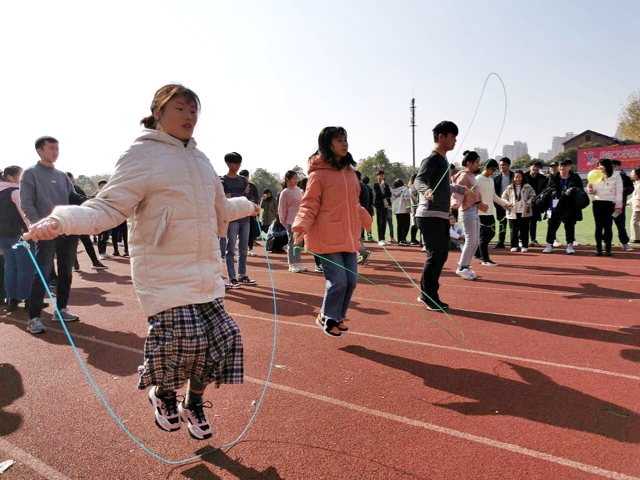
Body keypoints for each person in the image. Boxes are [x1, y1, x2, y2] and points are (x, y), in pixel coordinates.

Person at [26, 84, 260, 440]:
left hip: (203, 269)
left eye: (194, 110)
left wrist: (248, 206)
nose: (189, 116)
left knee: (224, 338)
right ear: (158, 112)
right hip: (162, 270)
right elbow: (107, 206)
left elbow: (221, 209)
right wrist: (62, 221)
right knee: (186, 338)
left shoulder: (200, 160)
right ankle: (162, 394)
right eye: (180, 108)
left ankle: (192, 401)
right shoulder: (142, 155)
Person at [292, 126, 372, 337]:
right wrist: (300, 227)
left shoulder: (350, 173)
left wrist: (365, 218)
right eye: (339, 140)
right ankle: (326, 316)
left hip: (347, 234)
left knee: (352, 281)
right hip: (326, 236)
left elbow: (353, 203)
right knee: (338, 281)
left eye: (345, 139)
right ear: (328, 144)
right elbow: (309, 204)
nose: (345, 143)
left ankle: (338, 317)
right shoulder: (318, 175)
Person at [20, 136, 85, 333]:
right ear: (39, 150)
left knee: (66, 272)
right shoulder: (30, 174)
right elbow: (27, 203)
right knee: (43, 273)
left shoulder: (62, 175)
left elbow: (72, 197)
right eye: (51, 148)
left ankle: (61, 309)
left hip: (67, 229)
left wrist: (91, 200)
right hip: (46, 232)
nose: (56, 152)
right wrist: (38, 226)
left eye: (57, 149)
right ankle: (34, 318)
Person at [414, 121, 466, 311]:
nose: (455, 140)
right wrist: (425, 190)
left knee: (439, 255)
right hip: (429, 214)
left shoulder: (444, 161)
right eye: (452, 136)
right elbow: (420, 179)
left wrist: (459, 188)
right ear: (441, 137)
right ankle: (429, 296)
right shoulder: (433, 159)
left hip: (440, 215)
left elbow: (443, 186)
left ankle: (426, 294)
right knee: (436, 255)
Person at [0, 166, 35, 312]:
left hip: (4, 236)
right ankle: (28, 299)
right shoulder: (16, 192)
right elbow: (25, 214)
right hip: (20, 235)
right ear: (10, 177)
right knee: (25, 268)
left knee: (10, 268)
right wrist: (34, 230)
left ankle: (12, 300)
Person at [221, 152, 256, 288]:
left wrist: (235, 196)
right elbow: (225, 199)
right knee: (230, 248)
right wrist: (238, 196)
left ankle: (242, 274)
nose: (238, 166)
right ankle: (232, 277)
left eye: (239, 163)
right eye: (235, 163)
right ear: (228, 164)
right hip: (231, 218)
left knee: (243, 248)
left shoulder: (243, 180)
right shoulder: (222, 180)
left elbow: (247, 198)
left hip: (245, 218)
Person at [451, 151, 487, 280]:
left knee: (475, 240)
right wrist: (455, 203)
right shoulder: (464, 176)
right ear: (468, 163)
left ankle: (465, 265)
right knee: (471, 240)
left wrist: (480, 204)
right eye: (476, 162)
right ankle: (462, 267)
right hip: (467, 211)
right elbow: (457, 191)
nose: (478, 165)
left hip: (473, 210)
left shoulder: (471, 176)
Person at [66, 172, 108, 270]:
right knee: (72, 243)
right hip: (69, 221)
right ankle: (75, 264)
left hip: (79, 219)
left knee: (86, 241)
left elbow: (85, 200)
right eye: (69, 181)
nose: (71, 183)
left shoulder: (77, 189)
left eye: (72, 180)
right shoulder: (61, 190)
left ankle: (95, 262)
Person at [542, 159, 583, 254]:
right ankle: (549, 244)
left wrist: (571, 192)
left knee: (569, 225)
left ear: (570, 167)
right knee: (552, 225)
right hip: (555, 203)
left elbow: (580, 190)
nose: (562, 168)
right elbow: (547, 189)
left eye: (565, 166)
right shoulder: (554, 177)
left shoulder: (575, 177)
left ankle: (569, 245)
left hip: (569, 205)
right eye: (560, 166)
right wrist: (552, 192)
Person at [473, 159, 508, 266]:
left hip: (490, 211)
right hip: (480, 212)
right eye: (492, 169)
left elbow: (493, 195)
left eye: (495, 170)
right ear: (486, 168)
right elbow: (472, 195)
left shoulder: (491, 180)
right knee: (484, 236)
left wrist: (503, 204)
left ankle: (478, 253)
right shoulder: (477, 179)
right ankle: (485, 259)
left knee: (492, 233)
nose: (494, 172)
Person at [587, 159, 623, 256]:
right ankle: (598, 249)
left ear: (607, 165)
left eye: (601, 165)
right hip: (597, 203)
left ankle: (608, 249)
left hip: (610, 203)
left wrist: (618, 206)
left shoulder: (616, 176)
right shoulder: (595, 175)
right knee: (598, 227)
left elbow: (619, 191)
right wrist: (590, 190)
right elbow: (592, 189)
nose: (599, 167)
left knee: (608, 226)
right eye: (598, 165)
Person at [279, 170, 307, 273]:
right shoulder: (285, 192)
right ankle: (292, 264)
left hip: (300, 220)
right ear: (288, 180)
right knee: (292, 242)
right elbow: (282, 208)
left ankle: (298, 262)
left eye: (296, 178)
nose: (296, 180)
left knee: (299, 242)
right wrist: (284, 221)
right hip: (290, 221)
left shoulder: (299, 190)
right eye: (293, 178)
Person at [501, 170, 536, 252]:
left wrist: (529, 202)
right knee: (514, 230)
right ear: (513, 178)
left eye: (519, 177)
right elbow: (503, 197)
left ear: (523, 177)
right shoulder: (509, 187)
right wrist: (507, 203)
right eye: (516, 177)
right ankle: (514, 245)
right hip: (513, 212)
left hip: (524, 212)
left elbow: (533, 195)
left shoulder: (528, 187)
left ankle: (524, 246)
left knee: (524, 230)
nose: (518, 179)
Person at [611, 160, 634, 251]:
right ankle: (606, 242)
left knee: (621, 225)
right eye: (611, 166)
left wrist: (622, 190)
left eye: (615, 166)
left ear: (619, 166)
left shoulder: (625, 178)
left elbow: (631, 189)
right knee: (607, 225)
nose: (613, 168)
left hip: (619, 206)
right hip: (607, 206)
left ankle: (625, 243)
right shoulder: (605, 177)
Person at [492, 157, 513, 249]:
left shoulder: (515, 176)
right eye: (500, 165)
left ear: (508, 165)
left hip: (513, 204)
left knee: (514, 224)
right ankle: (501, 241)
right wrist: (499, 204)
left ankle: (514, 242)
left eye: (504, 164)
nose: (501, 166)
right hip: (500, 204)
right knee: (502, 223)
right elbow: (494, 192)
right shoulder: (496, 178)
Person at [523, 161, 545, 247]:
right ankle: (522, 240)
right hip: (525, 202)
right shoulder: (524, 176)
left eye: (537, 167)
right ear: (530, 166)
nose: (535, 168)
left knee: (533, 223)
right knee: (524, 222)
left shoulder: (542, 178)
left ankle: (533, 240)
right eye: (533, 166)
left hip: (536, 203)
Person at [240, 169, 260, 257]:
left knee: (251, 231)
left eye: (246, 177)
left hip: (250, 213)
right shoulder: (238, 186)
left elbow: (257, 198)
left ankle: (250, 248)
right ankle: (239, 248)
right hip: (239, 213)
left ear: (248, 177)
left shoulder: (252, 187)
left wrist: (253, 202)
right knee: (239, 231)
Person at [355, 171, 372, 265]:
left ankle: (363, 252)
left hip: (358, 214)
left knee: (354, 236)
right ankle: (362, 253)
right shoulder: (363, 186)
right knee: (357, 236)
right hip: (363, 213)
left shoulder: (358, 186)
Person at [372, 170, 393, 246]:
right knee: (379, 223)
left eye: (382, 176)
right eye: (380, 175)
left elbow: (389, 194)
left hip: (386, 206)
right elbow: (377, 196)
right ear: (377, 177)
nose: (381, 177)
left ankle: (383, 238)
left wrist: (385, 188)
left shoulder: (386, 185)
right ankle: (380, 239)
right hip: (379, 206)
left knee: (384, 222)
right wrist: (384, 194)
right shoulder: (375, 185)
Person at [390, 178, 412, 246]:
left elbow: (392, 199)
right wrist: (409, 208)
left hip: (397, 210)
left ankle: (400, 240)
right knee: (406, 225)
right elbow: (407, 198)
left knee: (399, 226)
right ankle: (403, 239)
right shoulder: (405, 189)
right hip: (404, 209)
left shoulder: (394, 191)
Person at [407, 173, 421, 246]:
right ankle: (412, 239)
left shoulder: (412, 186)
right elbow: (414, 195)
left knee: (417, 223)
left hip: (417, 206)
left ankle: (414, 238)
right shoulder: (412, 187)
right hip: (414, 207)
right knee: (414, 223)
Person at [628, 167, 640, 244]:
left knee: (634, 221)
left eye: (633, 173)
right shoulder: (637, 183)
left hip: (638, 206)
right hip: (636, 204)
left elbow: (638, 196)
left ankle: (636, 238)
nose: (631, 174)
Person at [362, 176, 375, 241]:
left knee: (361, 223)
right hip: (369, 208)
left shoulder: (361, 187)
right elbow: (372, 200)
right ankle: (369, 236)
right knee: (368, 223)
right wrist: (372, 210)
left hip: (362, 208)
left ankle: (362, 237)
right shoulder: (369, 189)